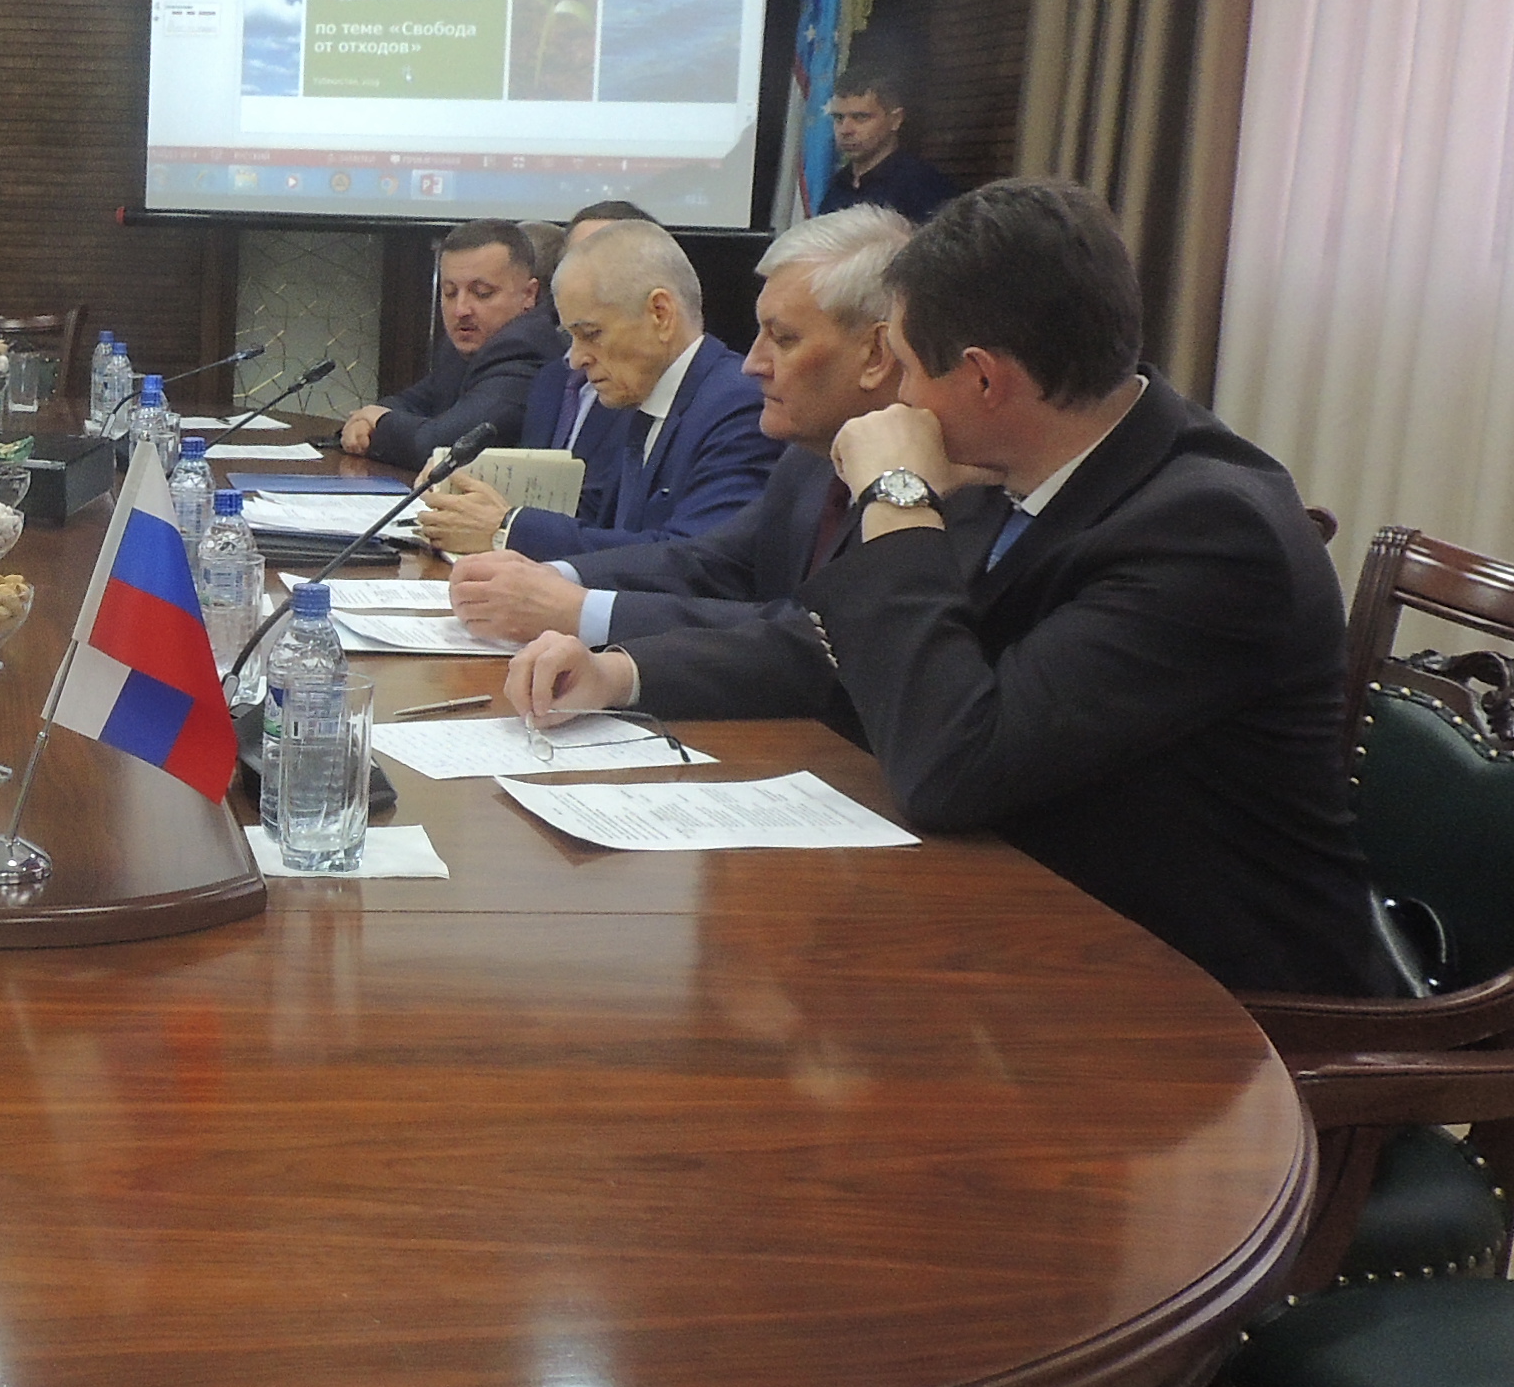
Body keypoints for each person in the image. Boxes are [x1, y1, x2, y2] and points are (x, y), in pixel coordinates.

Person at [519, 180, 1389, 998]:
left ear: (982, 378)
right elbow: (835, 646)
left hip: (1206, 1001)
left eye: (903, 365)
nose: (893, 395)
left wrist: (895, 498)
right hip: (1024, 924)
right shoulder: (1015, 466)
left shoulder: (1206, 531)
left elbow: (953, 766)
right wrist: (622, 673)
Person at [452, 207, 911, 686]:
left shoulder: (925, 478)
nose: (753, 363)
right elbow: (709, 561)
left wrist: (585, 617)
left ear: (876, 353)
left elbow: (821, 637)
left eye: (783, 338)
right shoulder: (809, 460)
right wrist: (556, 578)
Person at [417, 216, 777, 560]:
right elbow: (594, 516)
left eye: (590, 334)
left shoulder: (739, 407)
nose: (575, 360)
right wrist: (468, 488)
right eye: (571, 337)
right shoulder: (640, 393)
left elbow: (693, 557)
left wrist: (508, 528)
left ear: (660, 314)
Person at [335, 220, 560, 470]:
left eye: (482, 292)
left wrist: (378, 421)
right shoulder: (470, 342)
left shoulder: (526, 348)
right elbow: (415, 402)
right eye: (450, 292)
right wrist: (366, 418)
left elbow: (442, 446)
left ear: (529, 294)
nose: (461, 310)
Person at [508, 201, 649, 524]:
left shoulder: (644, 390)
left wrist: (510, 522)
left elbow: (601, 511)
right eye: (578, 262)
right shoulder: (552, 378)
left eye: (605, 266)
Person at [821, 54, 960, 223]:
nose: (845, 130)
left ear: (895, 120)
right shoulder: (837, 184)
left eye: (860, 117)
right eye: (838, 118)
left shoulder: (924, 186)